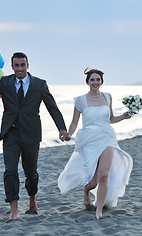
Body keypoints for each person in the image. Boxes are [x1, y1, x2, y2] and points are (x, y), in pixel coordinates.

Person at [0, 52, 68, 222]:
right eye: (16, 65)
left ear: (27, 65)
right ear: (12, 66)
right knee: (10, 171)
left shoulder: (39, 84)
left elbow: (52, 108)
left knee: (31, 173)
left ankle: (32, 200)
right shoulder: (5, 82)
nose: (19, 68)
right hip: (11, 134)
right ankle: (14, 211)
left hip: (31, 135)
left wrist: (61, 128)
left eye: (22, 65)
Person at [58, 68, 133, 219]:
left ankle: (99, 210)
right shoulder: (80, 100)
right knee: (93, 181)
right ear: (87, 82)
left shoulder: (107, 97)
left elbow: (110, 119)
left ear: (101, 81)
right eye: (92, 80)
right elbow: (74, 123)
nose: (95, 82)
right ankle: (87, 192)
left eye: (98, 79)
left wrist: (123, 117)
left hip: (107, 137)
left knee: (104, 175)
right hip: (88, 140)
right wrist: (68, 134)